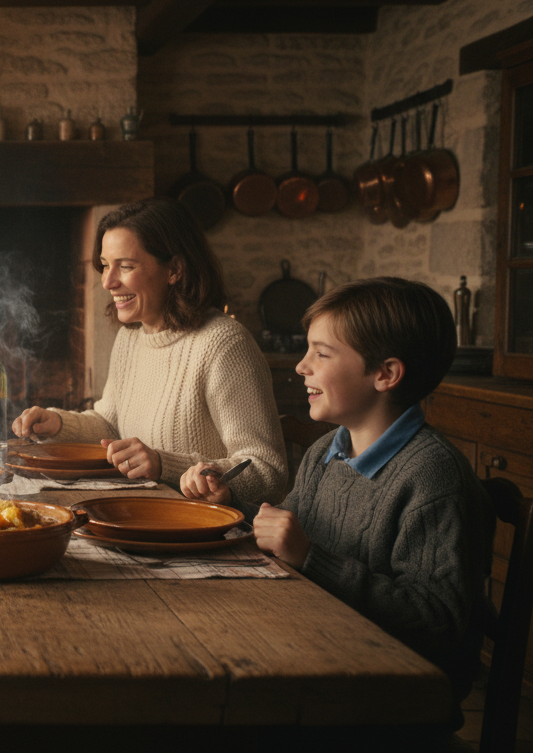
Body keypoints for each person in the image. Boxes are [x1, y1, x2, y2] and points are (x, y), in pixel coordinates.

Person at [184, 277, 492, 729]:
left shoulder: (432, 476)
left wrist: (312, 558)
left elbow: (438, 622)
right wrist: (229, 503)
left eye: (321, 354)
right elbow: (289, 535)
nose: (301, 367)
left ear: (385, 374)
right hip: (314, 655)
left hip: (387, 706)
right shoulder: (329, 448)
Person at [11, 198, 286, 504]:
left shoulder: (223, 344)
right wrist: (58, 424)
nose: (108, 281)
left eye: (126, 266)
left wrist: (164, 464)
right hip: (141, 514)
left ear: (175, 270)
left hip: (203, 530)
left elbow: (268, 470)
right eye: (104, 266)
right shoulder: (130, 337)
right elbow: (110, 425)